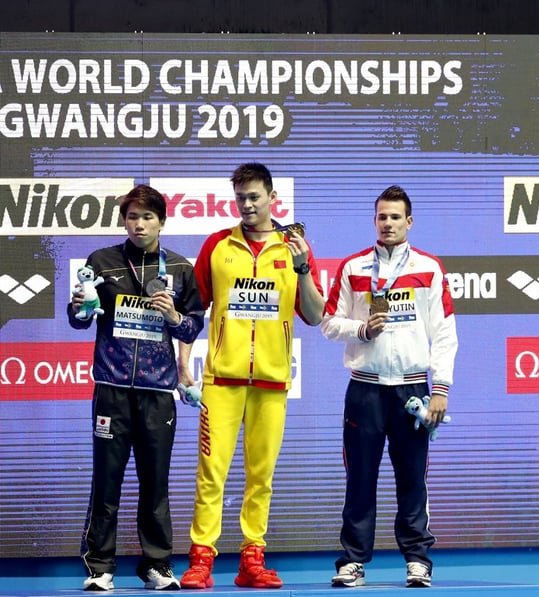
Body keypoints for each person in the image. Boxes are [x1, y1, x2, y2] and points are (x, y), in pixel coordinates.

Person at [178, 162, 324, 589]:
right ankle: (202, 560)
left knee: (262, 477)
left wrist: (301, 268)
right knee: (211, 474)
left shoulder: (294, 247)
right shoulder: (217, 246)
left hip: (272, 382)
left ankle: (251, 560)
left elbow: (315, 316)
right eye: (241, 196)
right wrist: (184, 363)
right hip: (221, 381)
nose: (247, 204)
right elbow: (193, 310)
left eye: (254, 196)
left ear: (272, 197)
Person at [320, 184, 458, 588]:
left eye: (396, 216)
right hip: (364, 390)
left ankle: (418, 560)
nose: (388, 223)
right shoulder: (353, 267)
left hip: (413, 391)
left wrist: (442, 388)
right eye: (382, 216)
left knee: (413, 478)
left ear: (409, 221)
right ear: (374, 220)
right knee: (359, 478)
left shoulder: (430, 268)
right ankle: (353, 561)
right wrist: (361, 328)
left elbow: (445, 332)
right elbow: (329, 322)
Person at [68, 184, 205, 591]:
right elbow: (79, 320)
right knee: (106, 481)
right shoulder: (102, 261)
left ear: (162, 221)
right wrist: (79, 307)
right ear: (124, 221)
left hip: (158, 392)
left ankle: (157, 565)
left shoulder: (179, 268)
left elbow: (194, 324)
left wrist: (175, 316)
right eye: (132, 217)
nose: (139, 224)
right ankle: (100, 567)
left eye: (147, 217)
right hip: (111, 388)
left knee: (156, 482)